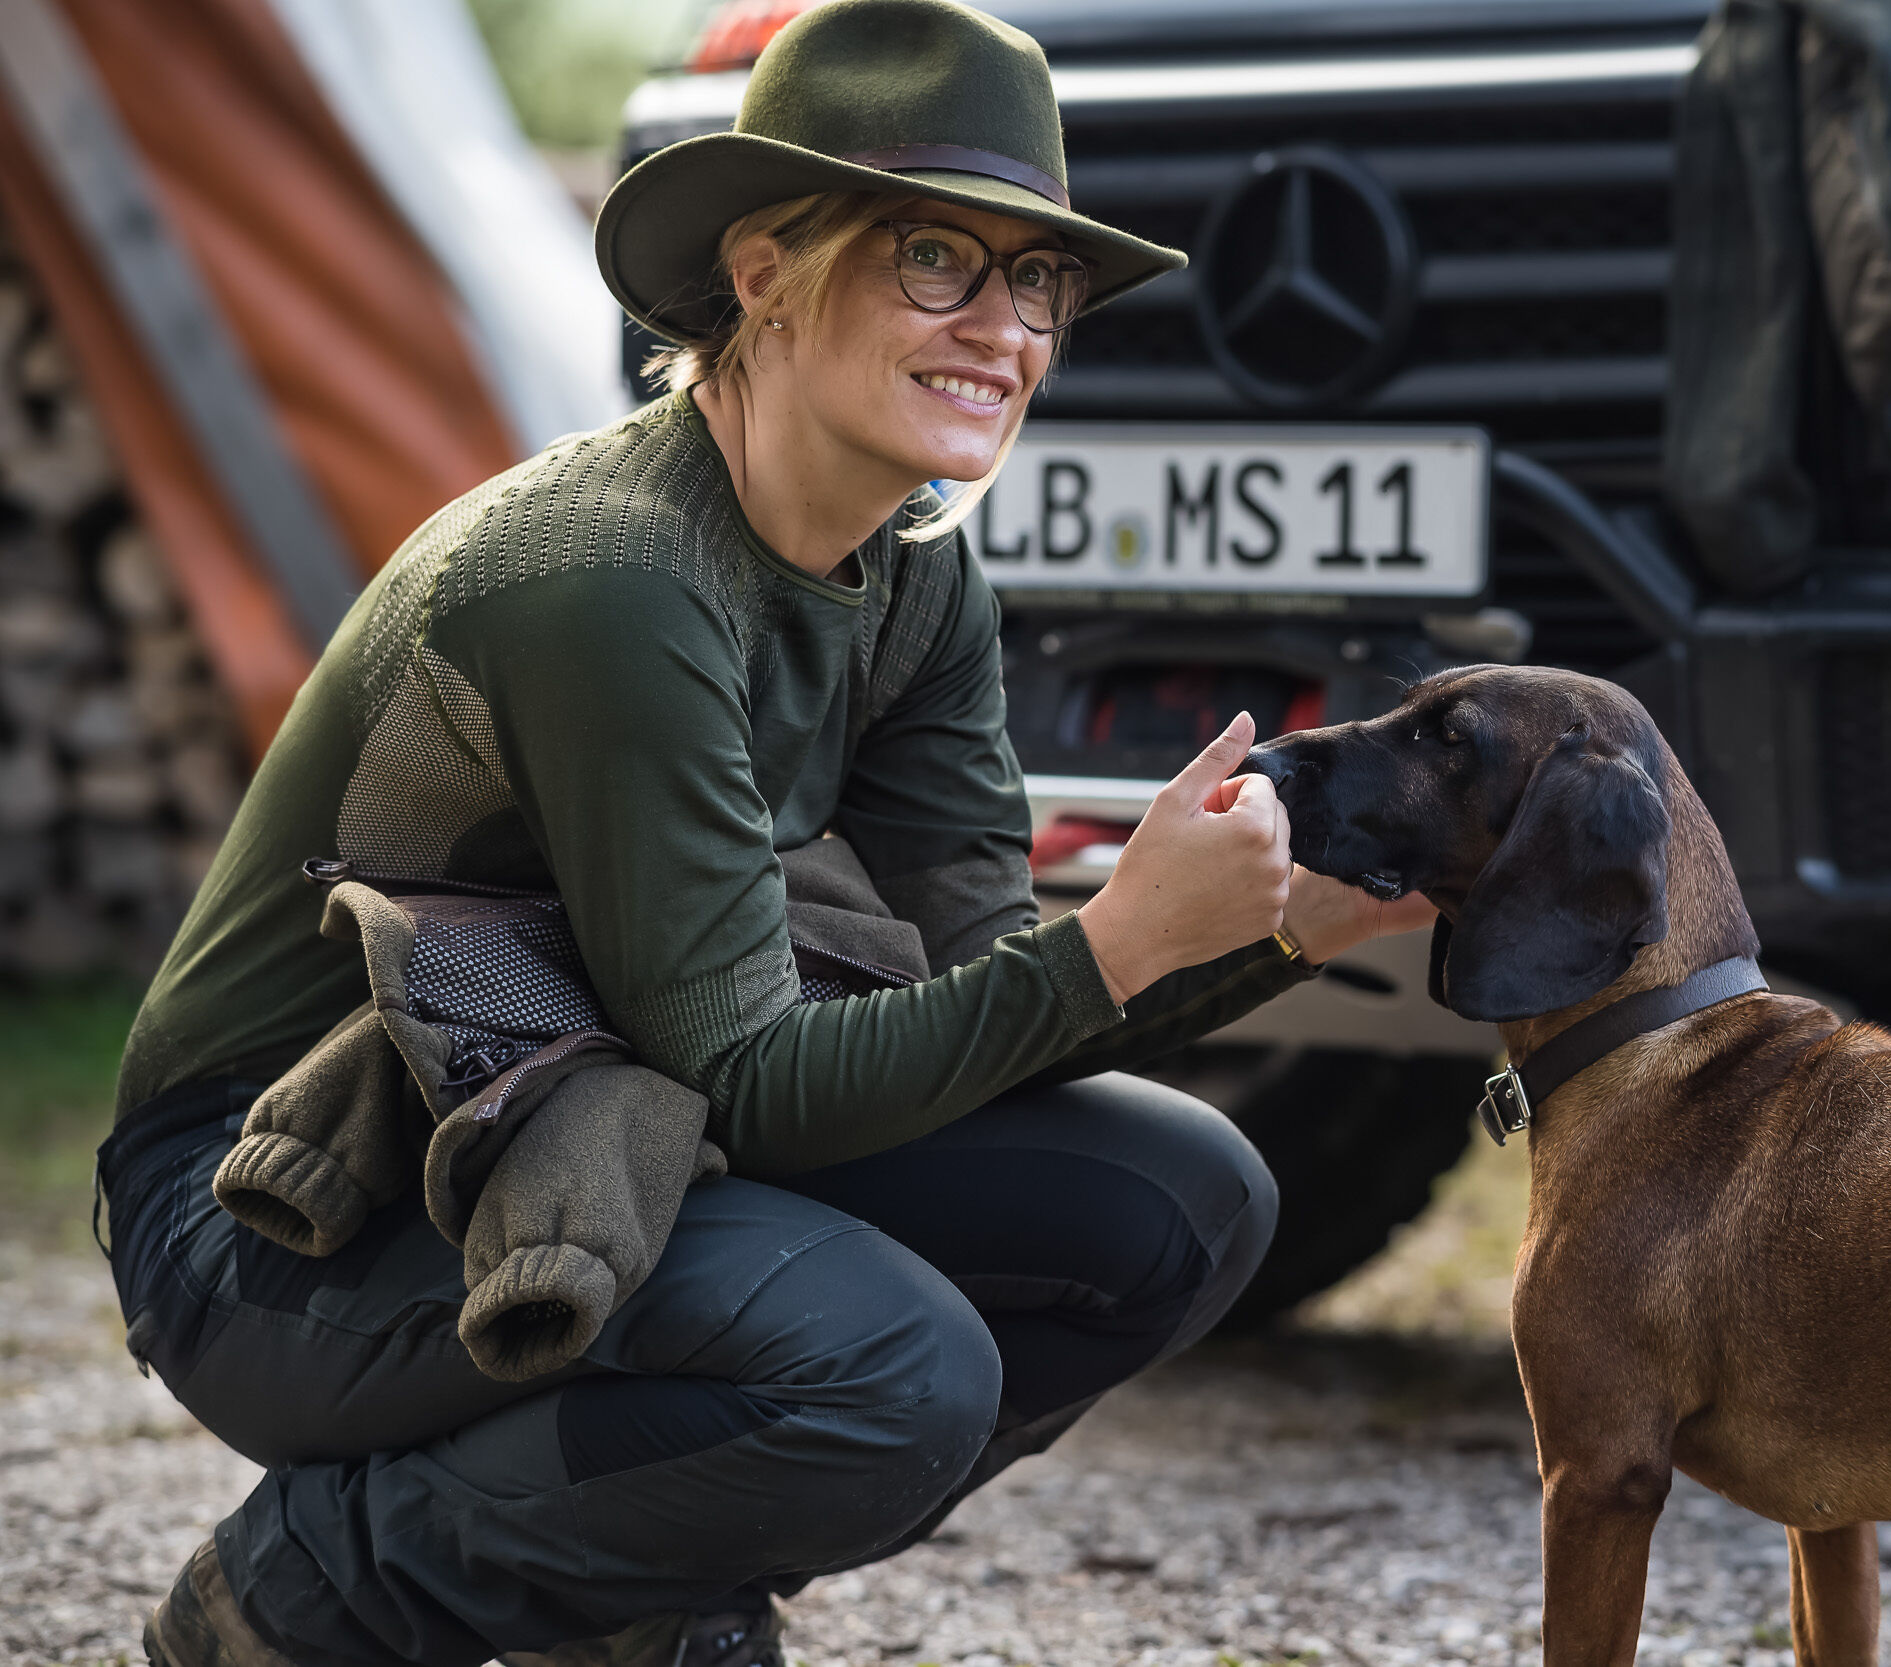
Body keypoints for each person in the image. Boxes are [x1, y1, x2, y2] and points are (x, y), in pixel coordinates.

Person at [103, 4, 1437, 1663]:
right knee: (892, 1364)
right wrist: (1123, 942)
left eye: (1041, 283)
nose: (1006, 330)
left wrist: (1280, 920)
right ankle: (310, 1593)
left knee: (1188, 1203)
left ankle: (624, 1578)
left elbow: (974, 1004)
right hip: (273, 1212)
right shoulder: (606, 581)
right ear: (765, 272)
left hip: (587, 1127)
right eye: (939, 259)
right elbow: (758, 1081)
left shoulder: (920, 574)